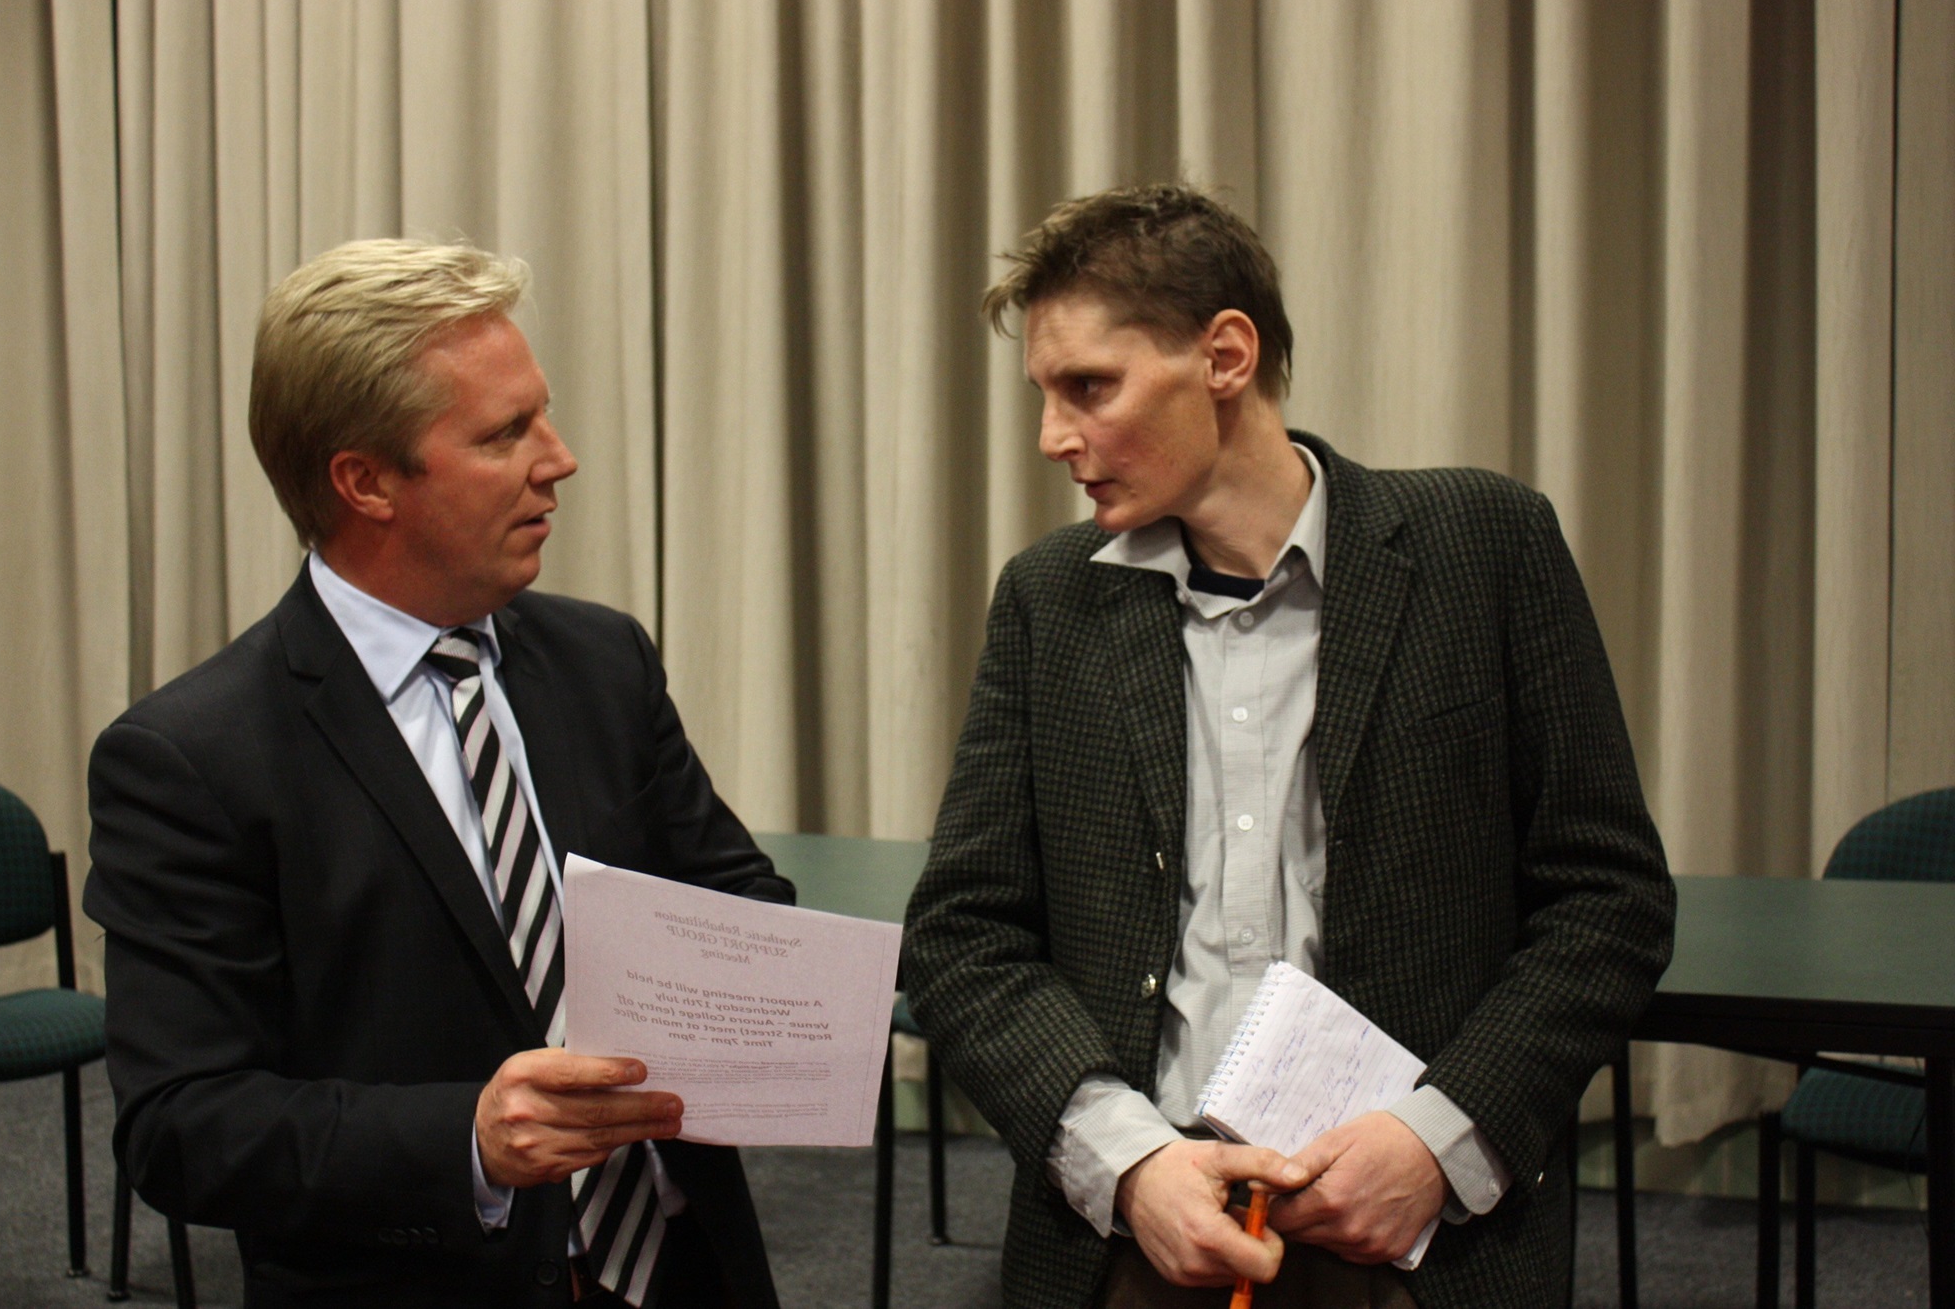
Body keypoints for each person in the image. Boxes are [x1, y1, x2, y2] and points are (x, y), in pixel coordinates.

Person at [901, 184, 1675, 1309]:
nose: (1051, 437)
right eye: (1044, 394)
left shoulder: (1482, 549)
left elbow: (1606, 901)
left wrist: (1434, 1141)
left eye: (1087, 386)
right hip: (1138, 1232)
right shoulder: (1048, 602)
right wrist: (1127, 1162)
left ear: (1223, 356)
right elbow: (962, 936)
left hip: (1423, 1244)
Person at [86, 240, 786, 1309]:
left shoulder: (603, 659)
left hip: (681, 1268)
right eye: (506, 433)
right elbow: (183, 1125)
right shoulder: (192, 759)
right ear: (365, 481)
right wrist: (463, 1138)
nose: (560, 457)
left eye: (539, 414)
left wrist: (780, 992)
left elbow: (730, 898)